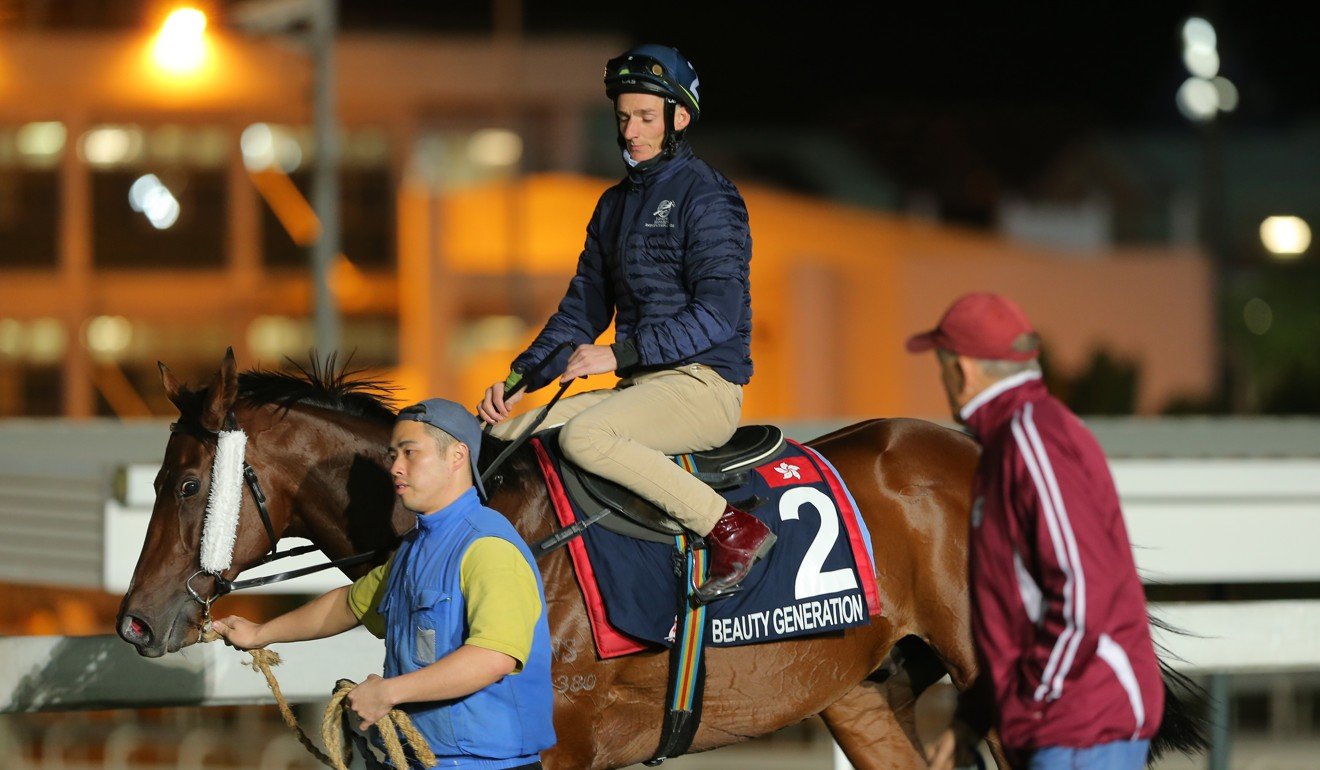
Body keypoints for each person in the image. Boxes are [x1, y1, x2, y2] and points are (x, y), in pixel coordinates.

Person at [477, 43, 771, 603]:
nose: (631, 130)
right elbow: (582, 310)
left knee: (586, 436)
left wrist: (619, 355)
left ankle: (733, 529)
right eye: (623, 117)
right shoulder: (613, 205)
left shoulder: (708, 196)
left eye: (645, 117)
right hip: (640, 387)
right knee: (505, 438)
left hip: (703, 386)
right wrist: (517, 382)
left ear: (679, 118)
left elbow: (719, 313)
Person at [211, 398, 556, 770]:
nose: (395, 467)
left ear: (457, 456)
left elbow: (493, 657)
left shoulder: (488, 547)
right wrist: (261, 633)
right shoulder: (413, 548)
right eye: (393, 455)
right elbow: (348, 605)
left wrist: (389, 693)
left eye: (410, 453)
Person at [910, 293, 1163, 770]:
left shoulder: (1031, 441)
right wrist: (975, 716)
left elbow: (1083, 593)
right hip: (1070, 723)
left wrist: (1027, 709)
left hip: (1079, 727)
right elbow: (1017, 618)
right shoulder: (1015, 442)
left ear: (962, 370)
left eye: (941, 366)